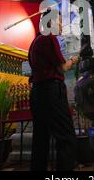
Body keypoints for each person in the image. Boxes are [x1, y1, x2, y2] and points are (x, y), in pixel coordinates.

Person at [28, 11, 78, 171]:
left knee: (41, 139)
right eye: (60, 21)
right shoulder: (48, 38)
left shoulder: (35, 41)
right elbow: (61, 68)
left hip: (38, 92)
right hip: (52, 91)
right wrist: (72, 61)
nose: (62, 25)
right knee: (65, 136)